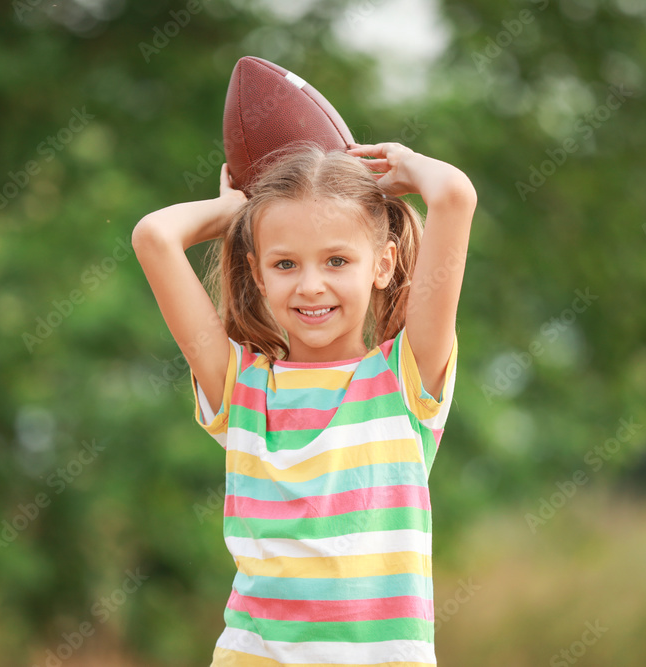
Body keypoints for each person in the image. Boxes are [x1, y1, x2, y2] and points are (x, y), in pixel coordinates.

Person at [132, 139, 477, 665]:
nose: (311, 285)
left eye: (337, 260)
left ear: (382, 265)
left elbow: (454, 195)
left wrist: (407, 168)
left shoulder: (404, 378)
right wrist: (233, 210)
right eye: (286, 263)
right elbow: (153, 236)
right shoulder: (238, 386)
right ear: (258, 275)